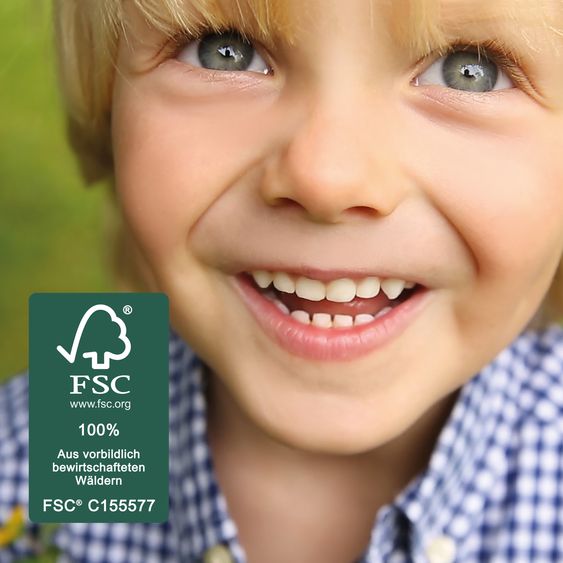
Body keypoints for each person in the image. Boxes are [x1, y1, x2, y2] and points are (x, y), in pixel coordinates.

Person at [2, 0, 563, 561]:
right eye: (226, 52)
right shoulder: (50, 444)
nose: (327, 178)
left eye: (471, 69)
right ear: (110, 108)